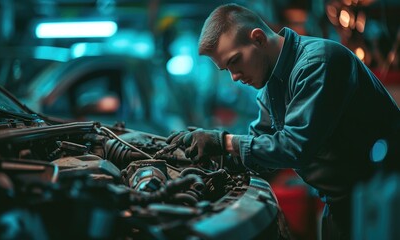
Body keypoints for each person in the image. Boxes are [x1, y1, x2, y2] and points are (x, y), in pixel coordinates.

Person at [166, 3, 400, 240]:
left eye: (235, 61)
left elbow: (295, 147)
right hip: (343, 205)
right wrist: (204, 154)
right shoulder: (271, 89)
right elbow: (260, 152)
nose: (234, 77)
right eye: (226, 69)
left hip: (386, 200)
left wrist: (224, 141)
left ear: (258, 39)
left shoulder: (317, 63)